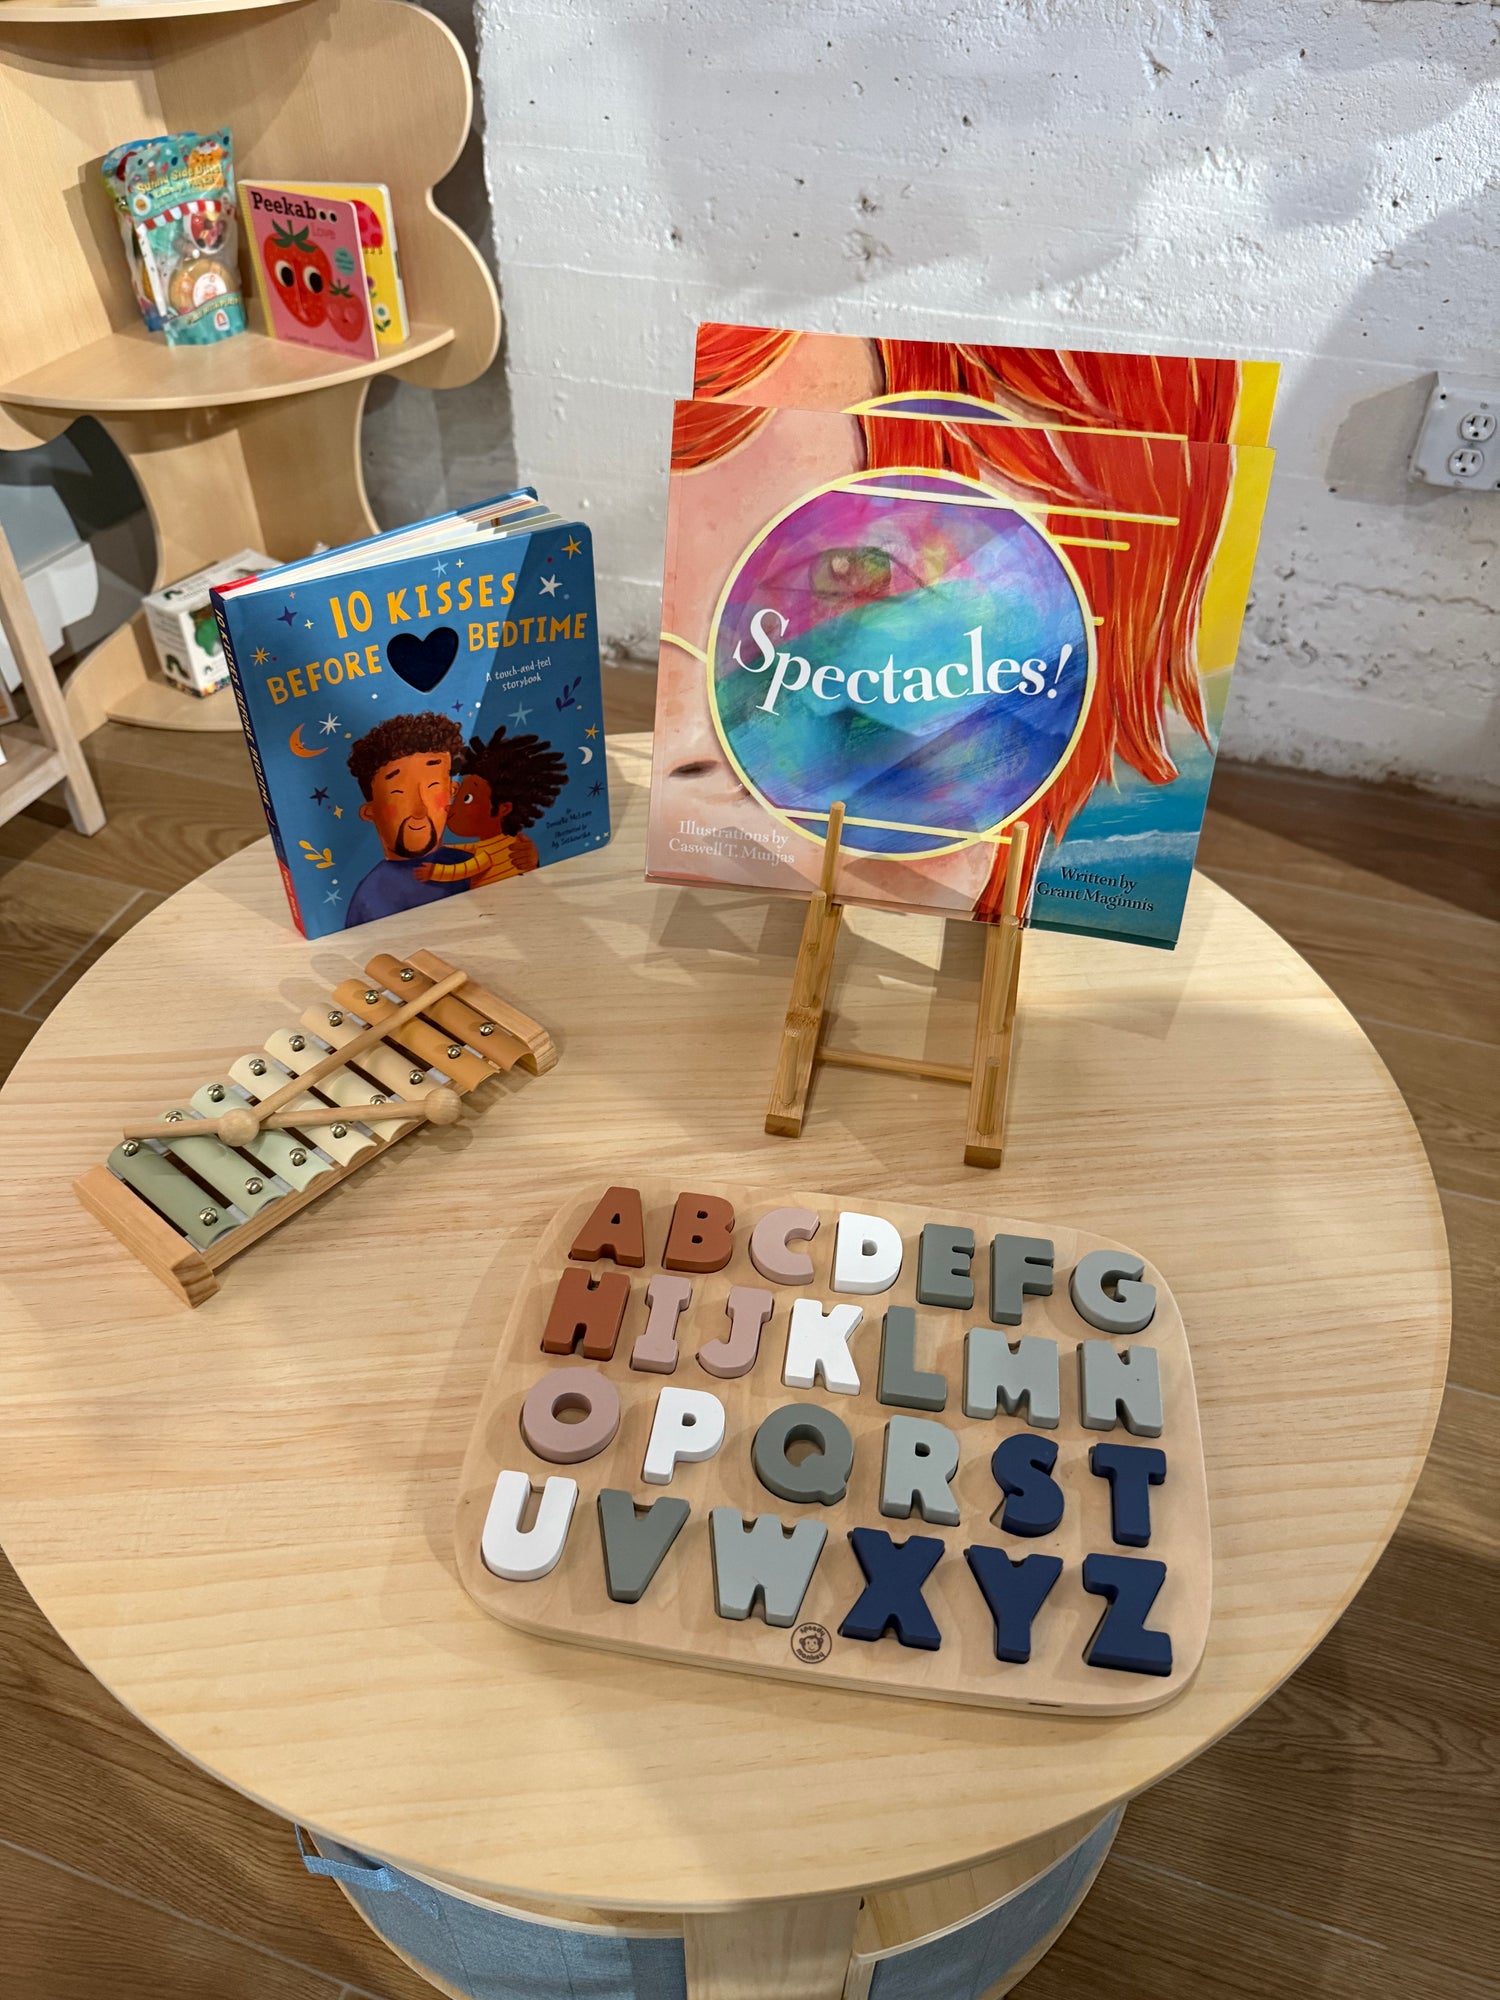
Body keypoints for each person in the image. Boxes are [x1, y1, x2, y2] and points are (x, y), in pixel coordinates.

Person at [344, 712, 471, 926]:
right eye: (398, 794)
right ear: (370, 811)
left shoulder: (470, 865)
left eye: (433, 788)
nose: (419, 810)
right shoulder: (370, 898)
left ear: (452, 791)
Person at [416, 725, 570, 889]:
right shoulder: (500, 843)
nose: (450, 807)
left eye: (467, 798)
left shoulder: (490, 853)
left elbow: (465, 869)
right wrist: (441, 847)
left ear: (504, 809)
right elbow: (470, 848)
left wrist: (434, 872)